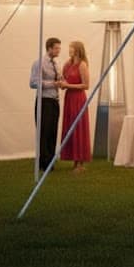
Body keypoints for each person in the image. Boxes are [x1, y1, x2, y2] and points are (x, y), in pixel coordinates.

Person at [29, 37, 63, 172]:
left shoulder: (56, 64)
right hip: (44, 101)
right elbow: (33, 83)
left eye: (59, 48)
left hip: (55, 101)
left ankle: (50, 161)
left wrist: (60, 80)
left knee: (53, 132)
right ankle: (43, 162)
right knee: (44, 132)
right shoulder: (39, 63)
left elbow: (57, 79)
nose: (58, 50)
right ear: (49, 48)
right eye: (56, 48)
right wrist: (52, 84)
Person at [58, 40, 91, 172]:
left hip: (78, 99)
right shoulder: (68, 63)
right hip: (69, 99)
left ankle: (81, 163)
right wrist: (61, 83)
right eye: (69, 48)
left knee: (79, 128)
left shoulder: (82, 65)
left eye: (71, 48)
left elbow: (86, 85)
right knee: (70, 127)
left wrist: (68, 86)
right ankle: (74, 159)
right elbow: (64, 79)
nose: (69, 50)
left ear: (78, 50)